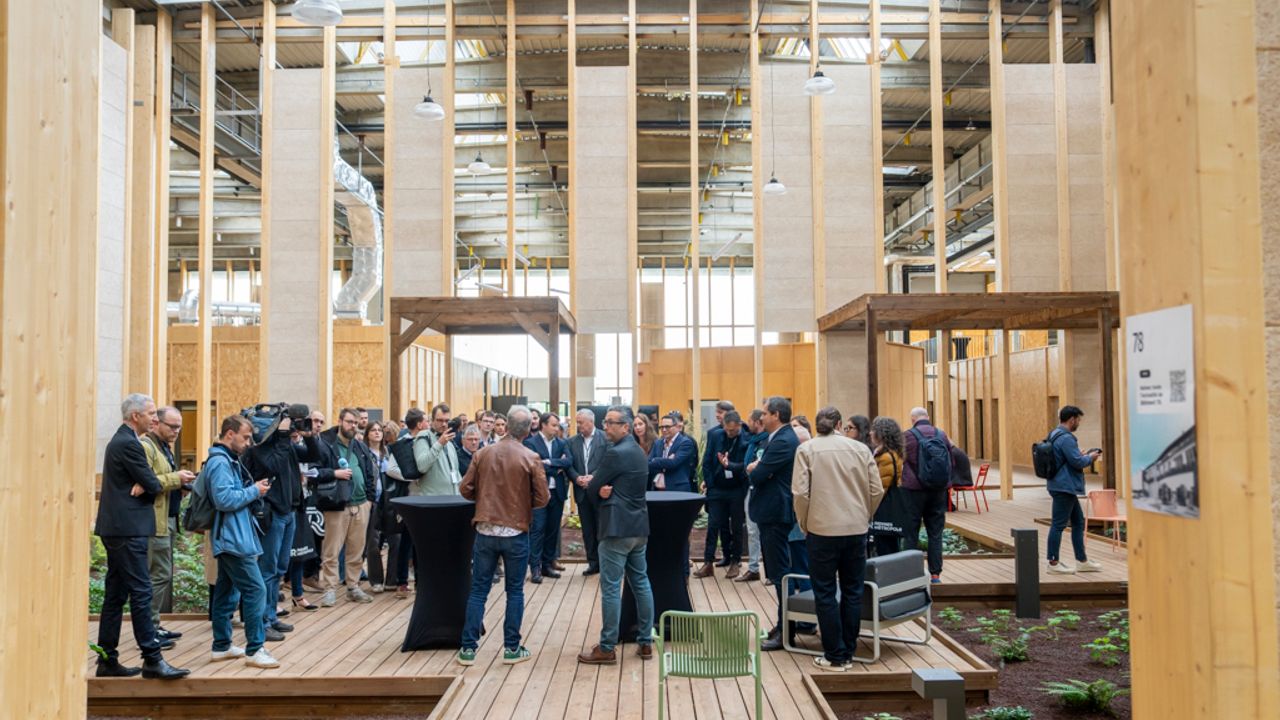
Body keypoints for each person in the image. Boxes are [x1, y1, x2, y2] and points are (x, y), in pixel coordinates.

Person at [94, 394, 192, 680]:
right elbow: (152, 483)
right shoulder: (130, 444)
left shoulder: (123, 441)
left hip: (119, 528)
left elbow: (149, 483)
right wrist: (148, 483)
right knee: (141, 591)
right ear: (135, 416)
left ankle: (107, 659)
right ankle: (152, 659)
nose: (155, 419)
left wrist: (148, 483)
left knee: (115, 596)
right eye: (151, 414)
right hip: (129, 529)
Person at [454, 405, 549, 667]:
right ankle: (511, 648)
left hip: (485, 529)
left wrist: (484, 500)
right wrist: (522, 504)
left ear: (505, 425)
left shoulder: (483, 453)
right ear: (528, 430)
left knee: (478, 591)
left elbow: (465, 489)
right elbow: (543, 498)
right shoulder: (531, 457)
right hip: (516, 531)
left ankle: (468, 648)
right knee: (515, 591)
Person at [793, 407, 884, 670]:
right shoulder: (861, 449)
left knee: (824, 593)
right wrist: (864, 515)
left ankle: (834, 654)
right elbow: (876, 490)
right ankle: (849, 651)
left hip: (821, 529)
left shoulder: (806, 450)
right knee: (853, 591)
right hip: (856, 528)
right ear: (839, 424)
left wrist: (805, 522)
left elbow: (800, 494)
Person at [578, 406, 655, 665]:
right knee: (641, 583)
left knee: (611, 588)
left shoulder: (615, 453)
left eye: (611, 422)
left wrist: (598, 489)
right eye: (605, 421)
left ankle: (607, 647)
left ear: (626, 426)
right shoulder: (639, 451)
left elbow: (593, 488)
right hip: (638, 527)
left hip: (616, 529)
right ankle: (645, 641)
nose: (605, 426)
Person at [242, 404, 324, 638]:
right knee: (267, 570)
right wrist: (282, 436)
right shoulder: (259, 448)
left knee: (279, 568)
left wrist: (309, 436)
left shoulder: (284, 445)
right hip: (272, 513)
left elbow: (313, 455)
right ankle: (262, 623)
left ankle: (271, 617)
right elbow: (274, 466)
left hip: (289, 512)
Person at [207, 414, 280, 669]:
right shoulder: (220, 462)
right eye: (246, 437)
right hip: (233, 538)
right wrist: (254, 491)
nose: (248, 443)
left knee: (226, 592)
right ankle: (255, 649)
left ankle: (221, 646)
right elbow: (224, 500)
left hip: (232, 536)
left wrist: (252, 489)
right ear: (230, 434)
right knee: (256, 590)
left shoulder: (226, 459)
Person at [748, 396, 801, 651]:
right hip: (771, 511)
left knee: (780, 574)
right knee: (777, 572)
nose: (762, 417)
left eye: (765, 413)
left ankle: (786, 631)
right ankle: (783, 625)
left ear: (777, 415)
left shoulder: (783, 440)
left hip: (775, 513)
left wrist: (754, 468)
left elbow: (759, 475)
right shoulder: (779, 438)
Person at [317, 408, 379, 607]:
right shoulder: (326, 444)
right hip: (337, 505)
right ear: (340, 421)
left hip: (361, 504)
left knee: (356, 551)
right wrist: (334, 473)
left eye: (355, 423)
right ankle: (330, 588)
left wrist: (369, 500)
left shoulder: (359, 446)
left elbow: (369, 472)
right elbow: (315, 472)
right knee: (331, 550)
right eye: (349, 422)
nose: (353, 426)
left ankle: (353, 586)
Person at [141, 406, 190, 641]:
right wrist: (176, 478)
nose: (176, 431)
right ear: (156, 423)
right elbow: (147, 481)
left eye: (179, 427)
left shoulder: (163, 447)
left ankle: (154, 625)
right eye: (172, 426)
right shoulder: (147, 446)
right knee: (158, 575)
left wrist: (179, 486)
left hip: (167, 519)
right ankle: (148, 629)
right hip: (154, 522)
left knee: (162, 574)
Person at [1045, 406, 1104, 574]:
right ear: (1072, 419)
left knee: (1078, 522)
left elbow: (1068, 458)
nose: (1079, 423)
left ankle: (1082, 561)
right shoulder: (1067, 438)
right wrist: (1090, 457)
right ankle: (1053, 563)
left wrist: (1080, 455)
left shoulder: (1054, 434)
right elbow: (1078, 462)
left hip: (1059, 484)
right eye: (1078, 420)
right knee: (1058, 525)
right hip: (1065, 486)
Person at [902, 407, 954, 583]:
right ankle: (935, 574)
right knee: (935, 533)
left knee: (911, 532)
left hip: (914, 491)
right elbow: (951, 461)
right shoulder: (941, 435)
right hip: (938, 491)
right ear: (928, 417)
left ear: (912, 419)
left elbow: (901, 460)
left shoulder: (908, 436)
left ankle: (910, 574)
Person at [699, 411, 748, 579]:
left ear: (739, 425)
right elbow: (707, 462)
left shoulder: (746, 439)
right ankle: (708, 561)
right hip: (717, 488)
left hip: (736, 489)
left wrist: (730, 465)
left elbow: (745, 465)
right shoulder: (715, 436)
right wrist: (710, 485)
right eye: (726, 429)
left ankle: (735, 560)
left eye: (732, 430)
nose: (729, 433)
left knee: (736, 526)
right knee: (714, 525)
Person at [525, 412, 571, 583]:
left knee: (552, 530)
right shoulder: (531, 443)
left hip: (557, 493)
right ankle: (535, 568)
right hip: (539, 494)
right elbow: (533, 466)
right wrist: (556, 465)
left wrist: (549, 462)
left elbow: (569, 462)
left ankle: (547, 565)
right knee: (537, 531)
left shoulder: (561, 443)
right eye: (553, 425)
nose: (557, 428)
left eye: (558, 425)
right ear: (543, 425)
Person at [568, 409, 607, 576]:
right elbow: (568, 465)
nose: (578, 425)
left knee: (602, 528)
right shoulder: (572, 442)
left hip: (599, 491)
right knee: (587, 530)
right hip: (581, 492)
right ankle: (593, 563)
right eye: (577, 422)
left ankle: (605, 563)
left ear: (591, 422)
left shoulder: (605, 438)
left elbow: (608, 462)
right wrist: (577, 478)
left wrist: (594, 477)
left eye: (581, 422)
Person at [729, 409, 767, 583]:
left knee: (766, 531)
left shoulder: (768, 441)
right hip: (750, 490)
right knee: (752, 531)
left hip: (764, 491)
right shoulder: (752, 441)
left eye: (750, 421)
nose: (747, 424)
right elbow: (745, 466)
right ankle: (753, 568)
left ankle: (771, 572)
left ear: (758, 422)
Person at [869, 416, 908, 556]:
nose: (870, 433)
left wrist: (870, 507)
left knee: (885, 548)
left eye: (874, 430)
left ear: (881, 434)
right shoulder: (892, 453)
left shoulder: (886, 456)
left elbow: (881, 487)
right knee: (890, 547)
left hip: (883, 508)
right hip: (889, 507)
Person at [362, 420, 390, 593]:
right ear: (367, 434)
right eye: (373, 430)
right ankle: (376, 580)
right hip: (372, 501)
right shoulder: (364, 452)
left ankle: (393, 580)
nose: (377, 433)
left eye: (379, 430)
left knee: (394, 539)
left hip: (388, 501)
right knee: (373, 542)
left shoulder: (387, 453)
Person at [412, 404, 461, 496]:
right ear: (432, 420)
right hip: (432, 499)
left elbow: (456, 471)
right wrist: (439, 444)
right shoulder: (424, 437)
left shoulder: (450, 443)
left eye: (447, 421)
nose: (444, 424)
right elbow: (422, 466)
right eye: (440, 420)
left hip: (452, 498)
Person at [648, 412, 697, 492]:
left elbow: (673, 463)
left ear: (677, 427)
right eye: (662, 427)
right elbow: (648, 463)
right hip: (657, 489)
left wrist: (655, 460)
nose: (664, 430)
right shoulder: (658, 443)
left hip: (677, 490)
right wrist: (666, 460)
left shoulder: (685, 442)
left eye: (667, 427)